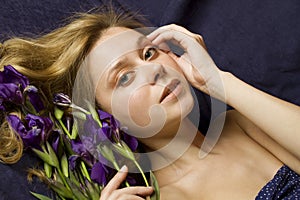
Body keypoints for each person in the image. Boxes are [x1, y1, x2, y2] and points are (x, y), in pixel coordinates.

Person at [0, 8, 299, 200]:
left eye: (149, 53)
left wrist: (220, 82)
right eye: (125, 78)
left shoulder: (241, 125)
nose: (154, 69)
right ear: (103, 118)